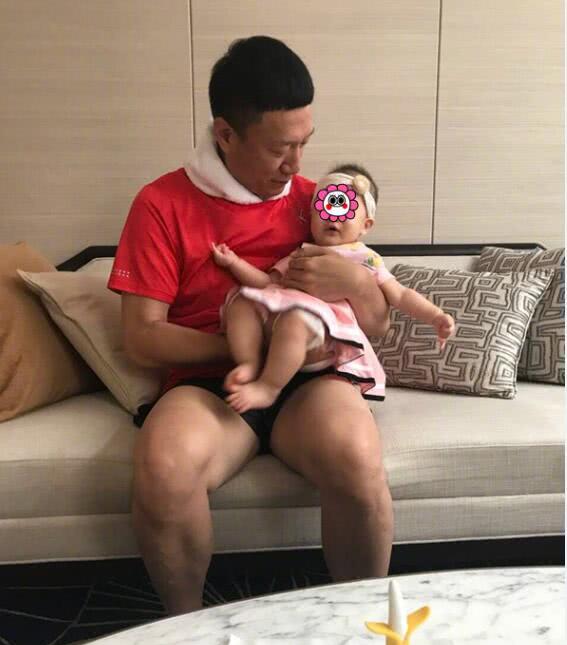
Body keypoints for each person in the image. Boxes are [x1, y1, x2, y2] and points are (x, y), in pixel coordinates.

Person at [108, 36, 393, 615]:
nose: (297, 167)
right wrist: (250, 352)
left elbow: (377, 328)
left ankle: (362, 626)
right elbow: (141, 337)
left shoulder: (320, 203)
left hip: (310, 379)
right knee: (164, 467)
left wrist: (359, 284)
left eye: (304, 144)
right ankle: (185, 630)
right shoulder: (161, 204)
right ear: (226, 134)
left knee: (357, 453)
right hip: (210, 382)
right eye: (279, 149)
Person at [212, 164, 455, 413]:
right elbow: (268, 283)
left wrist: (435, 316)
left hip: (322, 333)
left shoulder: (366, 259)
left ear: (366, 225)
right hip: (279, 320)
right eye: (325, 207)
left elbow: (401, 295)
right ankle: (249, 363)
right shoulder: (302, 252)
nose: (332, 216)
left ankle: (268, 387)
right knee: (242, 303)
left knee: (295, 321)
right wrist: (235, 263)